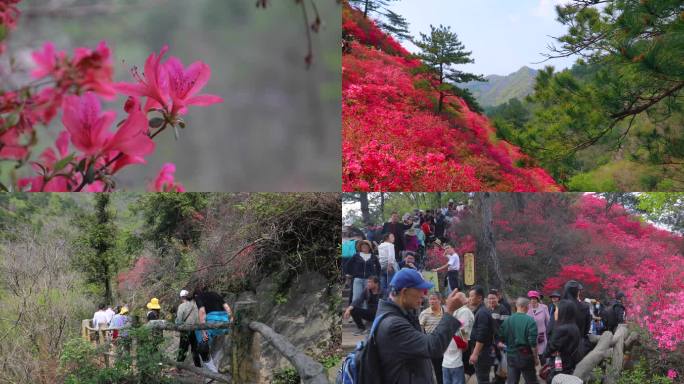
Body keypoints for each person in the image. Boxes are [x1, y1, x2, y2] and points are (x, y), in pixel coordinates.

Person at [375, 268, 467, 384]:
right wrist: (449, 311)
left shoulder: (401, 315)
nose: (424, 296)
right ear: (404, 292)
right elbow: (432, 347)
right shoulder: (393, 325)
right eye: (420, 290)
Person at [498, 297, 539, 384]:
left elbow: (500, 339)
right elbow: (532, 342)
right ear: (527, 307)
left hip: (511, 355)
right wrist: (535, 358)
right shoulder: (530, 321)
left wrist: (505, 346)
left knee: (512, 381)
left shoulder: (507, 321)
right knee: (531, 381)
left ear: (517, 306)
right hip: (526, 355)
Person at [194, 285, 233, 373]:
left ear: (196, 295)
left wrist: (203, 331)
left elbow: (202, 312)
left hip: (212, 324)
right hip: (225, 321)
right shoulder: (215, 294)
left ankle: (213, 372)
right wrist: (231, 321)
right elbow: (227, 308)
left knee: (202, 344)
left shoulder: (198, 298)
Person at [544, 300, 580, 382]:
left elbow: (551, 347)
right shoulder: (574, 327)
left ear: (562, 312)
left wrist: (545, 354)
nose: (555, 313)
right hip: (570, 362)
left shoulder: (561, 329)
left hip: (560, 363)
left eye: (556, 310)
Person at [442, 292, 475, 384]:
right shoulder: (462, 310)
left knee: (466, 369)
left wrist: (464, 341)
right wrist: (465, 342)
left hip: (461, 341)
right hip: (459, 342)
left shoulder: (463, 310)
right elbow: (463, 328)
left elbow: (463, 328)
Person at [469, 286, 497, 384]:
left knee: (483, 379)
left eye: (471, 296)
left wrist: (475, 353)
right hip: (482, 351)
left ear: (480, 298)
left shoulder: (482, 313)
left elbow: (482, 335)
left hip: (482, 352)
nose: (469, 298)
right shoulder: (480, 311)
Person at [344, 240, 381, 307]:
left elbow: (378, 268)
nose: (364, 247)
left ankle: (364, 314)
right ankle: (355, 314)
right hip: (358, 279)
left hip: (369, 280)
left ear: (369, 247)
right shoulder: (356, 255)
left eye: (366, 246)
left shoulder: (373, 257)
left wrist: (376, 277)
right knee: (356, 297)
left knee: (367, 298)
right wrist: (351, 273)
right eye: (363, 246)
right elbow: (348, 265)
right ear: (360, 247)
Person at [419, 292, 446, 384]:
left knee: (446, 369)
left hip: (446, 345)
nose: (432, 301)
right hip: (433, 346)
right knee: (437, 369)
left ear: (440, 300)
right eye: (430, 299)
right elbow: (420, 330)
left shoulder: (445, 312)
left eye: (434, 299)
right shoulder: (424, 313)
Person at [486, 290, 510, 384]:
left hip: (500, 340)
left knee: (501, 360)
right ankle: (497, 377)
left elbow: (506, 327)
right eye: (489, 298)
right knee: (495, 360)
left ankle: (501, 379)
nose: (491, 300)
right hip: (491, 340)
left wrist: (501, 341)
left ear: (498, 298)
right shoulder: (488, 309)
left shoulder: (503, 309)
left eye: (493, 298)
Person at [176, 289, 201, 368]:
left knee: (183, 349)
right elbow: (197, 318)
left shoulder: (181, 306)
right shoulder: (194, 305)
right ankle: (198, 367)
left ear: (181, 297)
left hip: (185, 331)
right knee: (194, 349)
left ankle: (179, 367)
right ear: (187, 296)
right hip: (194, 329)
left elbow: (179, 320)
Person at [526, 290, 549, 361]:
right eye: (531, 298)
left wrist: (549, 334)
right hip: (530, 337)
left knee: (543, 358)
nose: (532, 300)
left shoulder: (544, 307)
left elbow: (548, 321)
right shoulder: (526, 308)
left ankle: (544, 371)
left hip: (541, 336)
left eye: (534, 298)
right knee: (531, 359)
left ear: (537, 299)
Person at [378, 233, 398, 297]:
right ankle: (389, 299)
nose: (393, 238)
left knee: (382, 284)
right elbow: (391, 256)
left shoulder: (380, 245)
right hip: (389, 265)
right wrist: (390, 266)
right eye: (392, 236)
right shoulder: (390, 245)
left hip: (381, 266)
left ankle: (384, 298)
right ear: (387, 238)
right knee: (390, 284)